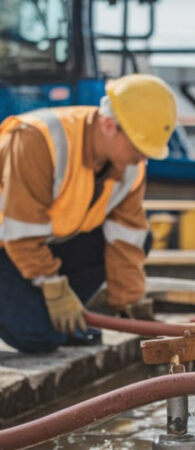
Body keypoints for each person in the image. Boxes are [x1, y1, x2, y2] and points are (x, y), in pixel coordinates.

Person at [0, 74, 177, 353]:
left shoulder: (129, 166)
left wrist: (127, 303)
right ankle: (44, 319)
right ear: (109, 126)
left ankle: (57, 320)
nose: (142, 158)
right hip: (11, 244)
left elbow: (127, 239)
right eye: (138, 148)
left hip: (38, 246)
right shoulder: (38, 140)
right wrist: (54, 289)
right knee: (39, 338)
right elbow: (21, 232)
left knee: (141, 238)